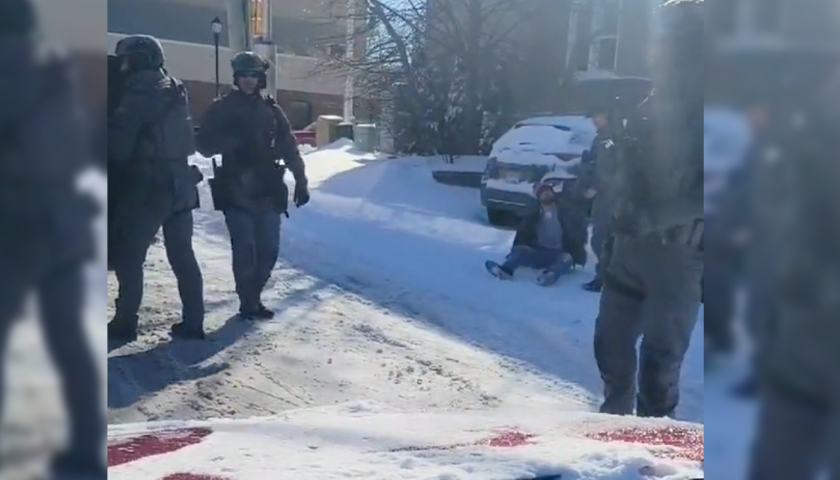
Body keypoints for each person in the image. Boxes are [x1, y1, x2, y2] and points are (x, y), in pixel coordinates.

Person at [0, 0, 104, 475]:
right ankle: (86, 448)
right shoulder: (57, 75)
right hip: (61, 226)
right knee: (68, 342)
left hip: (16, 229)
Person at [592, 0, 703, 418]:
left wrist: (652, 217)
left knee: (660, 367)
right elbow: (623, 179)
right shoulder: (648, 104)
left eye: (667, 42)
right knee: (611, 347)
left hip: (677, 255)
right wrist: (608, 234)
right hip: (628, 248)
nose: (656, 51)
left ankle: (652, 453)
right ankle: (613, 443)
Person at [196, 51, 309, 319]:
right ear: (236, 78)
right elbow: (203, 145)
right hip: (235, 186)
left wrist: (301, 180)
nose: (249, 80)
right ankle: (248, 302)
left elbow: (289, 147)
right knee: (245, 248)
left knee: (269, 249)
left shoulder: (271, 110)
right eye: (244, 75)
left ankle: (253, 295)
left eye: (254, 75)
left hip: (268, 187)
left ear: (261, 79)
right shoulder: (221, 107)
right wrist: (228, 142)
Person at [107, 34, 206, 342]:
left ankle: (125, 322)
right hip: (182, 180)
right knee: (182, 255)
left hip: (150, 183)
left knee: (130, 255)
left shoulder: (139, 89)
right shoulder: (175, 87)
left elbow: (119, 145)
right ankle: (194, 321)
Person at [485, 178, 588, 286]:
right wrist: (515, 253)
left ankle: (550, 275)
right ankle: (505, 270)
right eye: (543, 193)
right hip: (538, 252)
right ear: (539, 198)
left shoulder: (566, 214)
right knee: (521, 250)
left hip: (559, 253)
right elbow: (522, 236)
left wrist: (578, 255)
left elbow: (578, 235)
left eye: (548, 192)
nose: (546, 195)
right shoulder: (533, 216)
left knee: (566, 258)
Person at [578, 107, 615, 292]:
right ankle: (605, 277)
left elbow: (611, 170)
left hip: (610, 197)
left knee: (603, 239)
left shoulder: (611, 139)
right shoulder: (602, 137)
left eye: (596, 116)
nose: (593, 120)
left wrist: (596, 187)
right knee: (601, 239)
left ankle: (605, 278)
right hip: (603, 196)